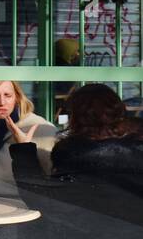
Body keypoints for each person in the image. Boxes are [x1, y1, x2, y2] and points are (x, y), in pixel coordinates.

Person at [8, 84, 143, 225]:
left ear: (76, 118)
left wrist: (23, 151)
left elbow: (43, 199)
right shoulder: (136, 153)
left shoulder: (75, 158)